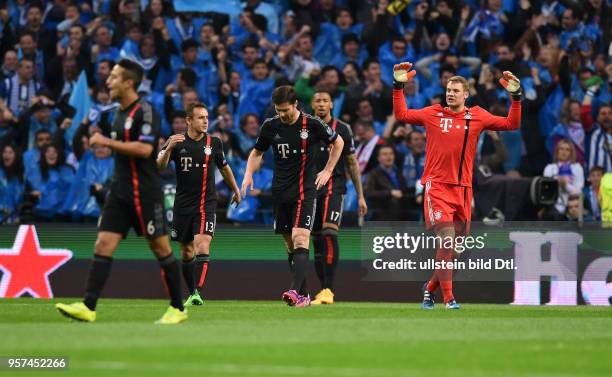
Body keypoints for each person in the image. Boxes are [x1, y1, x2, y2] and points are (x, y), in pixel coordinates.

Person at [56, 59, 187, 324]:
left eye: (114, 77)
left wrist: (106, 141)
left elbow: (145, 150)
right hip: (120, 191)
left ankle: (177, 308)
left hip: (145, 192)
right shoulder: (117, 113)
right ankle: (88, 306)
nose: (108, 82)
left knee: (161, 248)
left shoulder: (146, 111)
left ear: (129, 82)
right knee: (103, 244)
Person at [392, 61, 522, 309]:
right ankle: (449, 298)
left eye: (455, 91)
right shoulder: (433, 114)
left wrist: (516, 98)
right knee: (447, 240)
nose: (450, 93)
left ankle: (430, 289)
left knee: (456, 250)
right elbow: (402, 115)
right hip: (437, 186)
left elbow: (511, 124)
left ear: (466, 94)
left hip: (463, 190)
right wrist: (398, 87)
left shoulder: (478, 116)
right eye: (448, 90)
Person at [240, 85, 344, 307]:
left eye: (285, 110)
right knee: (289, 244)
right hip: (280, 191)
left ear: (295, 104)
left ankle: (294, 291)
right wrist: (248, 174)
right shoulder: (270, 126)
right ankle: (304, 294)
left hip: (305, 191)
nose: (282, 114)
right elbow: (257, 152)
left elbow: (339, 142)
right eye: (278, 110)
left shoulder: (312, 124)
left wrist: (327, 170)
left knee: (300, 237)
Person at [156, 102, 241, 306]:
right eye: (200, 117)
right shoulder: (175, 141)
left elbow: (224, 168)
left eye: (206, 117)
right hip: (182, 206)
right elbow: (159, 167)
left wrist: (236, 189)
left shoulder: (214, 143)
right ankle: (192, 290)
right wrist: (169, 149)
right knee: (186, 252)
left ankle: (196, 292)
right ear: (189, 120)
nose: (205, 121)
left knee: (202, 244)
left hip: (206, 204)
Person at [309, 88, 367, 305]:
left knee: (329, 234)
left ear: (332, 104)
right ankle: (322, 289)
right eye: (318, 101)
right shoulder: (306, 129)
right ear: (313, 105)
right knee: (316, 240)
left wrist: (360, 195)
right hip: (311, 189)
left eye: (326, 100)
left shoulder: (342, 129)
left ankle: (328, 290)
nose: (322, 104)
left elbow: (352, 162)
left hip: (335, 187)